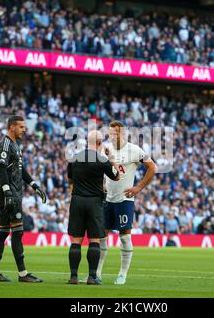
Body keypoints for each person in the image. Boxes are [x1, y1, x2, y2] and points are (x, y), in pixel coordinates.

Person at [96, 120, 157, 285]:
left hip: (125, 199)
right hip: (107, 199)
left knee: (124, 237)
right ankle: (97, 273)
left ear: (123, 133)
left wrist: (139, 187)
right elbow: (102, 170)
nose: (112, 136)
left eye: (115, 133)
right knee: (101, 236)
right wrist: (101, 184)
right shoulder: (105, 149)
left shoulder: (134, 150)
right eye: (110, 133)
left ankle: (122, 273)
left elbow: (153, 167)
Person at [0, 115, 47, 283]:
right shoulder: (6, 144)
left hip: (14, 193)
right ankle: (23, 274)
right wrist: (7, 191)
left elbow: (21, 170)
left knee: (3, 231)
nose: (24, 130)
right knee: (17, 232)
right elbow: (1, 168)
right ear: (12, 127)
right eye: (21, 127)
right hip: (10, 194)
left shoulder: (15, 145)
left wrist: (35, 186)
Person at [66, 130, 119, 285]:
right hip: (94, 202)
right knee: (94, 239)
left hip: (77, 201)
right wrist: (111, 159)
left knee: (76, 240)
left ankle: (73, 277)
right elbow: (116, 176)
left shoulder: (74, 158)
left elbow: (69, 178)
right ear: (100, 143)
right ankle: (92, 277)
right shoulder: (102, 160)